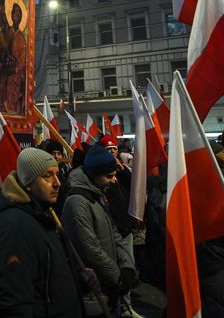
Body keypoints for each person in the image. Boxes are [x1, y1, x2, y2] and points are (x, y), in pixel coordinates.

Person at [0, 147, 88, 317]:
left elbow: (50, 277)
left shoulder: (44, 214)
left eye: (57, 174)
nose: (57, 182)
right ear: (28, 183)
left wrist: (79, 277)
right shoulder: (15, 227)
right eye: (47, 176)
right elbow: (15, 303)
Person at [63, 144, 137, 316]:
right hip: (94, 291)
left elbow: (113, 233)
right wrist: (117, 277)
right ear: (93, 174)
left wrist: (126, 268)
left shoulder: (96, 194)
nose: (114, 180)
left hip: (108, 286)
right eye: (109, 176)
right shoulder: (77, 202)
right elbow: (91, 248)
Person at [98, 136, 141, 318]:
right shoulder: (99, 174)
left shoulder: (122, 170)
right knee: (112, 271)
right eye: (107, 150)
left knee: (127, 268)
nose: (112, 152)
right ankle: (115, 306)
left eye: (113, 149)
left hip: (125, 229)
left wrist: (123, 171)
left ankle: (126, 307)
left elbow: (135, 186)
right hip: (110, 230)